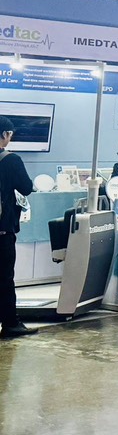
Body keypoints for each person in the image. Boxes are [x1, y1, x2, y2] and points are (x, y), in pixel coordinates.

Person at [0, 117, 36, 339]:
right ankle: (10, 324)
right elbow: (26, 187)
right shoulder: (10, 160)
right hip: (2, 229)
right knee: (4, 277)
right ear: (5, 134)